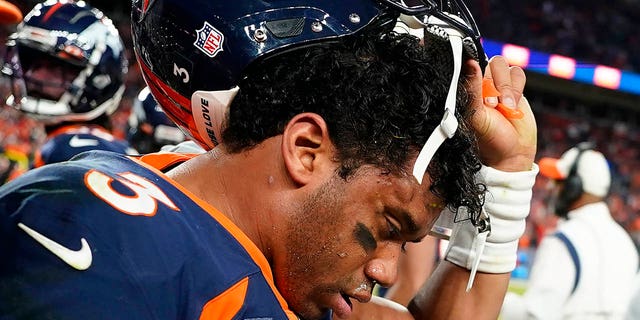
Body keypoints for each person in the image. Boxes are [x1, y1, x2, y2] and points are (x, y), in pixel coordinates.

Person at [0, 1, 538, 319]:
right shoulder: (106, 245)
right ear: (306, 150)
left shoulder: (257, 246)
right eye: (387, 226)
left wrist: (511, 172)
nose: (385, 270)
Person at [501, 142, 639, 320]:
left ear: (574, 187)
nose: (552, 188)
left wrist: (500, 301)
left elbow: (535, 316)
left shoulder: (563, 240)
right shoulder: (625, 242)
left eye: (559, 182)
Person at [1, 0, 134, 169]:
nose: (34, 74)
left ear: (99, 80)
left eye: (54, 66)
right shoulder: (103, 147)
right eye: (33, 63)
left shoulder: (71, 150)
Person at [127, 86, 187, 154]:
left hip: (179, 143)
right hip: (150, 142)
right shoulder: (146, 95)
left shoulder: (182, 95)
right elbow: (141, 122)